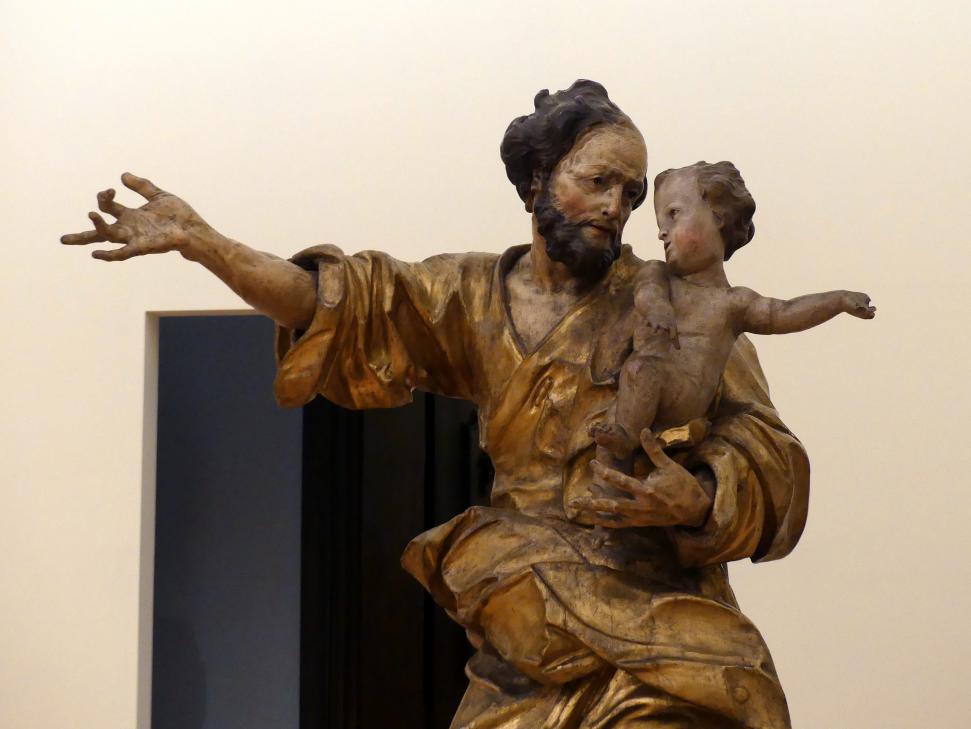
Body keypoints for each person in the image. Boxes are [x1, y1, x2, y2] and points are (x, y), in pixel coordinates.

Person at [62, 80, 809, 728]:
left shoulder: (674, 305)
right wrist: (204, 243)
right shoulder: (468, 295)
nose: (616, 207)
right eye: (598, 181)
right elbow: (336, 303)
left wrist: (699, 496)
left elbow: (769, 450)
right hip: (528, 625)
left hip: (661, 633)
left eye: (632, 193)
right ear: (537, 179)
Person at [591, 161, 875, 480]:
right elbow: (647, 292)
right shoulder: (657, 273)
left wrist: (838, 300)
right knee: (611, 432)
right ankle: (609, 487)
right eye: (660, 222)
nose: (661, 232)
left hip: (684, 393)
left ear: (718, 216)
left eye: (673, 214)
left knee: (640, 371)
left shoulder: (733, 303)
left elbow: (783, 313)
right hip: (640, 391)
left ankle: (625, 438)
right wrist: (656, 308)